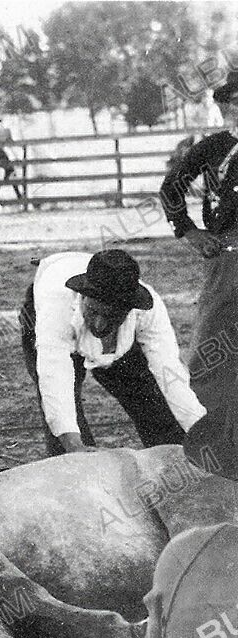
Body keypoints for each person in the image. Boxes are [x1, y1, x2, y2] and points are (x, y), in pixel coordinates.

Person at [20, 250, 205, 456]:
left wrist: (202, 433)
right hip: (48, 318)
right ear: (82, 297)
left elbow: (170, 374)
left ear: (130, 310)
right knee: (69, 443)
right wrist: (73, 445)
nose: (99, 325)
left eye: (111, 316)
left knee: (152, 402)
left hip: (119, 335)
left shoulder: (148, 310)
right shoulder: (57, 307)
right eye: (93, 311)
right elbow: (54, 377)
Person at [159, 70, 238, 412]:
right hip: (229, 251)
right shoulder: (215, 147)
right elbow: (171, 186)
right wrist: (189, 231)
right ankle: (202, 415)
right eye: (236, 103)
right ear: (223, 108)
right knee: (214, 336)